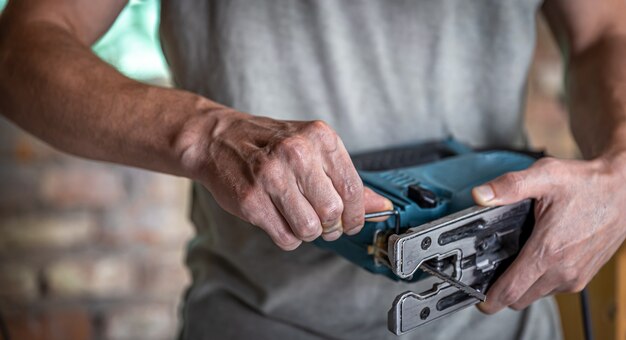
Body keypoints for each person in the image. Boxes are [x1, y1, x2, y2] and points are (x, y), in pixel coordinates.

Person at [1, 0, 625, 339]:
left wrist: (622, 169)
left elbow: (603, 30)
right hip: (264, 318)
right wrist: (205, 133)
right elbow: (22, 44)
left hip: (505, 317)